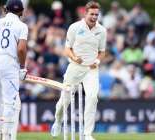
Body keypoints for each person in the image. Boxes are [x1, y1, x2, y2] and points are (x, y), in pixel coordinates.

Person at [51, 1, 107, 140]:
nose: (94, 17)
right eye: (92, 14)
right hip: (75, 68)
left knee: (92, 97)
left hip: (91, 69)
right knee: (65, 99)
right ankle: (58, 121)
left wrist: (97, 61)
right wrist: (74, 58)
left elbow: (102, 51)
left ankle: (87, 134)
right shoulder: (75, 27)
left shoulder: (102, 30)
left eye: (96, 14)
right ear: (85, 13)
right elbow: (67, 49)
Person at [0, 0, 28, 140]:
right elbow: (21, 49)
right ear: (21, 11)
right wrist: (22, 67)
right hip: (8, 62)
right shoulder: (22, 25)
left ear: (6, 9)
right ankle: (7, 135)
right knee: (11, 101)